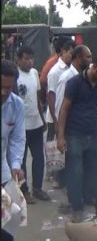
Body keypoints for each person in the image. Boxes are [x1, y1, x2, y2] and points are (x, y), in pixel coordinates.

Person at [56, 53, 97, 223]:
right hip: (74, 135)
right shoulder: (74, 83)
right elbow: (64, 109)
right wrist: (61, 137)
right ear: (94, 66)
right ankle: (77, 209)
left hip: (93, 134)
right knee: (75, 173)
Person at [48, 45, 92, 189]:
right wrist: (60, 130)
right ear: (79, 58)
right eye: (88, 57)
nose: (91, 61)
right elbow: (61, 105)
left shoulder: (82, 76)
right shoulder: (67, 77)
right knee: (69, 159)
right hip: (68, 126)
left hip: (79, 126)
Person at [16, 46, 49, 204]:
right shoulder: (15, 76)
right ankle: (24, 191)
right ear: (18, 60)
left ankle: (38, 188)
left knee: (39, 158)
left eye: (31, 58)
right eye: (26, 58)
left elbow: (38, 99)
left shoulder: (35, 73)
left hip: (36, 124)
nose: (29, 61)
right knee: (20, 161)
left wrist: (42, 119)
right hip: (20, 127)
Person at [2, 60, 26, 240]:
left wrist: (16, 164)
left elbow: (17, 138)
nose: (4, 92)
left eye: (8, 88)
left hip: (2, 171)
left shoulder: (16, 104)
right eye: (1, 87)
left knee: (9, 220)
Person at [46, 39, 76, 142]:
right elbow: (50, 96)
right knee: (52, 150)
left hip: (66, 117)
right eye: (71, 53)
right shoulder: (55, 72)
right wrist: (55, 121)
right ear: (63, 51)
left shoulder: (72, 70)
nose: (72, 56)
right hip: (54, 118)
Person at [39, 37, 70, 106]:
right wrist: (44, 99)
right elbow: (42, 81)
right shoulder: (52, 62)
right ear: (63, 50)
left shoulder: (67, 63)